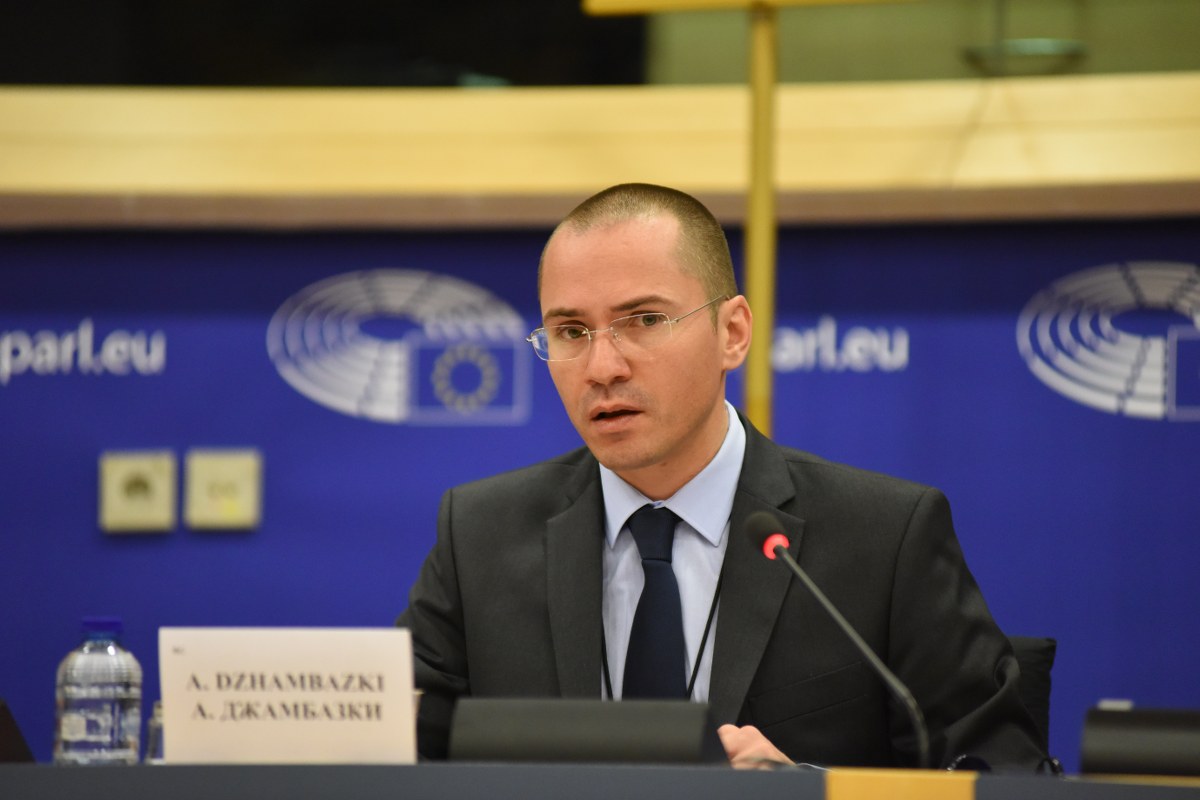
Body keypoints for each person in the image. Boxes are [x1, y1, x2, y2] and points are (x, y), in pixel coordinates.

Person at [398, 183, 1046, 769]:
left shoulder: (885, 538)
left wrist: (810, 793)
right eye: (570, 331)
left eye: (644, 321)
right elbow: (391, 753)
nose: (602, 368)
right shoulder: (480, 535)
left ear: (732, 333)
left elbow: (1002, 775)